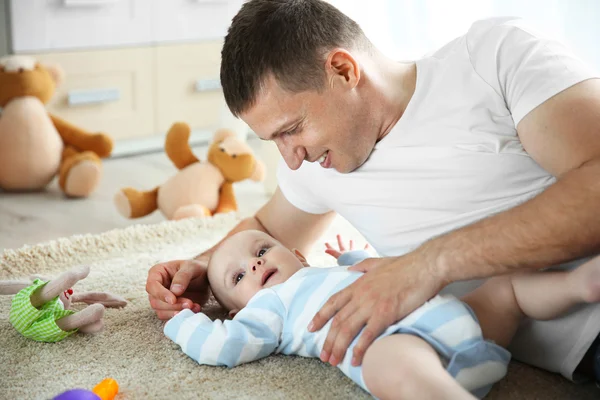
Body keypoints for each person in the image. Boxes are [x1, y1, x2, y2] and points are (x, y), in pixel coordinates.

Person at [147, 0, 600, 383]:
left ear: (343, 70)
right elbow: (265, 229)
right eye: (274, 142)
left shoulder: (495, 57)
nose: (291, 159)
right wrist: (202, 268)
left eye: (292, 130)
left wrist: (427, 264)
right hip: (508, 342)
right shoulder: (317, 162)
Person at [164, 230, 600, 399]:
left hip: (456, 316)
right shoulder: (265, 310)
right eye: (239, 275)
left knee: (507, 287)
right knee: (385, 361)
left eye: (261, 250)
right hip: (403, 345)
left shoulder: (321, 272)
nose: (256, 264)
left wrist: (350, 256)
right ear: (237, 310)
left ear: (297, 253)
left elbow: (365, 267)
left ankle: (578, 285)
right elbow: (224, 345)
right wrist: (182, 321)